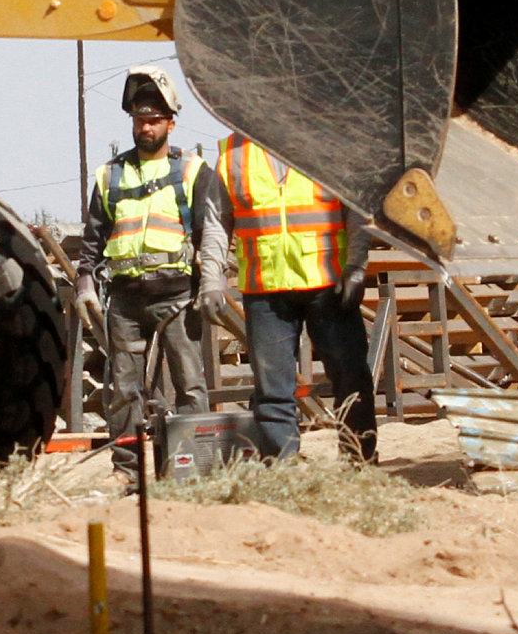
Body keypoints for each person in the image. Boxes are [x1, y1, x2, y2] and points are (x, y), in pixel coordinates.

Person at [214, 128, 380, 464]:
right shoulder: (233, 152)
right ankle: (282, 467)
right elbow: (217, 221)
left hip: (328, 283)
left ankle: (360, 462)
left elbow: (357, 209)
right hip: (265, 287)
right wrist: (211, 278)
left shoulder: (331, 143)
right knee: (272, 389)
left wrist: (356, 266)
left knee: (351, 375)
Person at [81, 69, 219, 469]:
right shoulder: (110, 175)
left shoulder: (192, 171)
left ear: (170, 123)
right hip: (125, 298)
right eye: (140, 120)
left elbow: (211, 230)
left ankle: (194, 467)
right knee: (124, 389)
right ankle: (127, 470)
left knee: (190, 386)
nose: (145, 127)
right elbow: (93, 239)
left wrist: (210, 280)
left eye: (154, 120)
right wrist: (84, 283)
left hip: (177, 295)